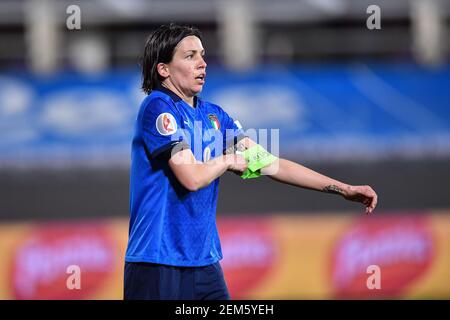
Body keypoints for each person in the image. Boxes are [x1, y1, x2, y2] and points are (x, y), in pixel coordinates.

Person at [124, 23, 378, 300]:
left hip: (204, 263)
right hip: (157, 262)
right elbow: (192, 178)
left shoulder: (215, 116)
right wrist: (227, 160)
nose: (203, 64)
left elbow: (272, 164)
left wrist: (343, 189)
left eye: (203, 55)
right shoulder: (158, 107)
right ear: (164, 69)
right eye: (190, 56)